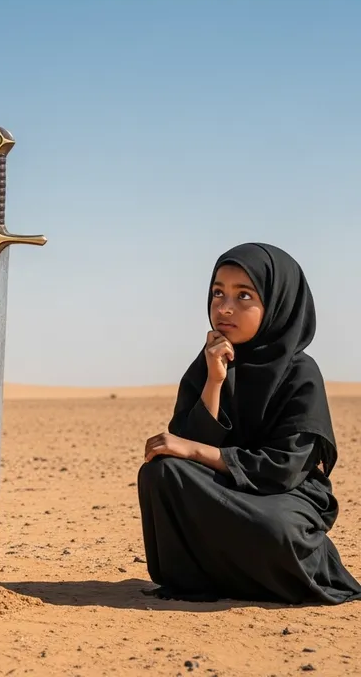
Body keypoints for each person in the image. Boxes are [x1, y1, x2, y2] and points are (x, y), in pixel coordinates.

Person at [139, 242, 361, 605]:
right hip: (224, 490)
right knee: (161, 473)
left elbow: (284, 468)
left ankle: (275, 573)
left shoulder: (300, 373)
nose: (224, 307)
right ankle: (202, 579)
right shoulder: (208, 363)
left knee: (275, 530)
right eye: (217, 293)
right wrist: (214, 381)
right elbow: (182, 457)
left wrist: (197, 449)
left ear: (277, 303)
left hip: (282, 499)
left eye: (244, 295)